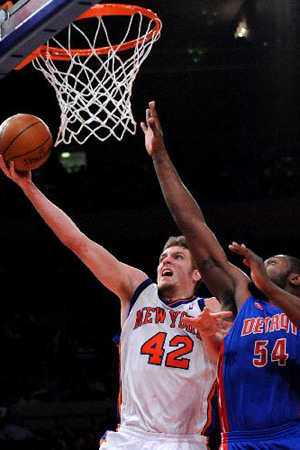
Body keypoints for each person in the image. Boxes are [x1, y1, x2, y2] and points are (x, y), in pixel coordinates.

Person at [0, 156, 231, 450]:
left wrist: (212, 334)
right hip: (130, 437)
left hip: (182, 439)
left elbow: (231, 364)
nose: (165, 261)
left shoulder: (210, 307)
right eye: (163, 257)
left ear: (197, 273)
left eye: (177, 257)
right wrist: (28, 186)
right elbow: (78, 241)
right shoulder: (137, 290)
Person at [141, 101, 300, 449]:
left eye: (273, 263)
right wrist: (160, 156)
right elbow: (193, 226)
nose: (262, 265)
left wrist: (271, 292)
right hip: (239, 439)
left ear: (296, 279)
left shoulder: (286, 308)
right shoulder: (242, 297)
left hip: (292, 434)